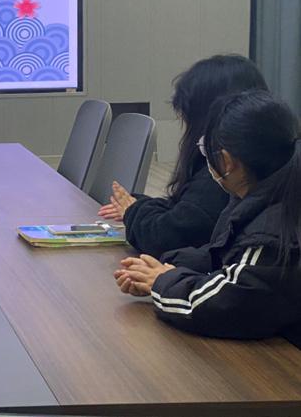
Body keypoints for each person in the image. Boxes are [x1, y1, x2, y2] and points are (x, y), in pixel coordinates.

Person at [114, 90, 301, 346]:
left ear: (227, 161)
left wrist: (162, 281)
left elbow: (225, 306)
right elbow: (222, 254)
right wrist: (167, 266)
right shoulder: (261, 195)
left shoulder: (273, 233)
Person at [98, 54, 267, 256]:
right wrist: (140, 206)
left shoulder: (222, 175)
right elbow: (182, 210)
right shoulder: (259, 158)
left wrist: (133, 210)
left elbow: (165, 238)